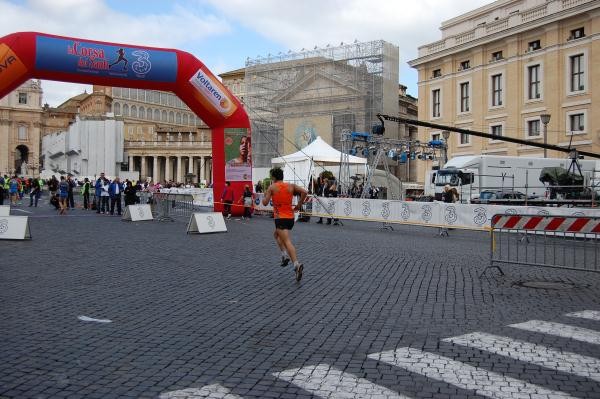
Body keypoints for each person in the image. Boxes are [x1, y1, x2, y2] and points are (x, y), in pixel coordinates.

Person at [262, 167, 308, 282]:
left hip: (280, 218)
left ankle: (296, 265)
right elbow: (305, 192)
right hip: (290, 218)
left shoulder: (272, 187)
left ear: (273, 177)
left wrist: (266, 194)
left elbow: (265, 202)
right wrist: (299, 204)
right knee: (276, 235)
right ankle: (284, 256)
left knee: (287, 242)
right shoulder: (291, 186)